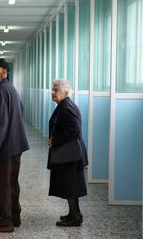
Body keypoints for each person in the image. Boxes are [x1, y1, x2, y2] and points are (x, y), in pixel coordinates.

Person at [0, 58, 29, 233]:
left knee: (2, 184)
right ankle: (15, 216)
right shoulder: (10, 89)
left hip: (4, 148)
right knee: (11, 182)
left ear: (3, 73)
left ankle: (6, 221)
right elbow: (20, 111)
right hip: (14, 145)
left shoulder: (1, 91)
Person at [48, 79, 88, 227]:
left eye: (56, 90)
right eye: (52, 89)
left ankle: (75, 217)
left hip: (71, 155)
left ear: (66, 92)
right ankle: (73, 213)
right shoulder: (64, 105)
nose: (53, 93)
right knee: (70, 185)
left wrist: (55, 140)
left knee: (71, 186)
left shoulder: (67, 107)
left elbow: (74, 129)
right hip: (70, 153)